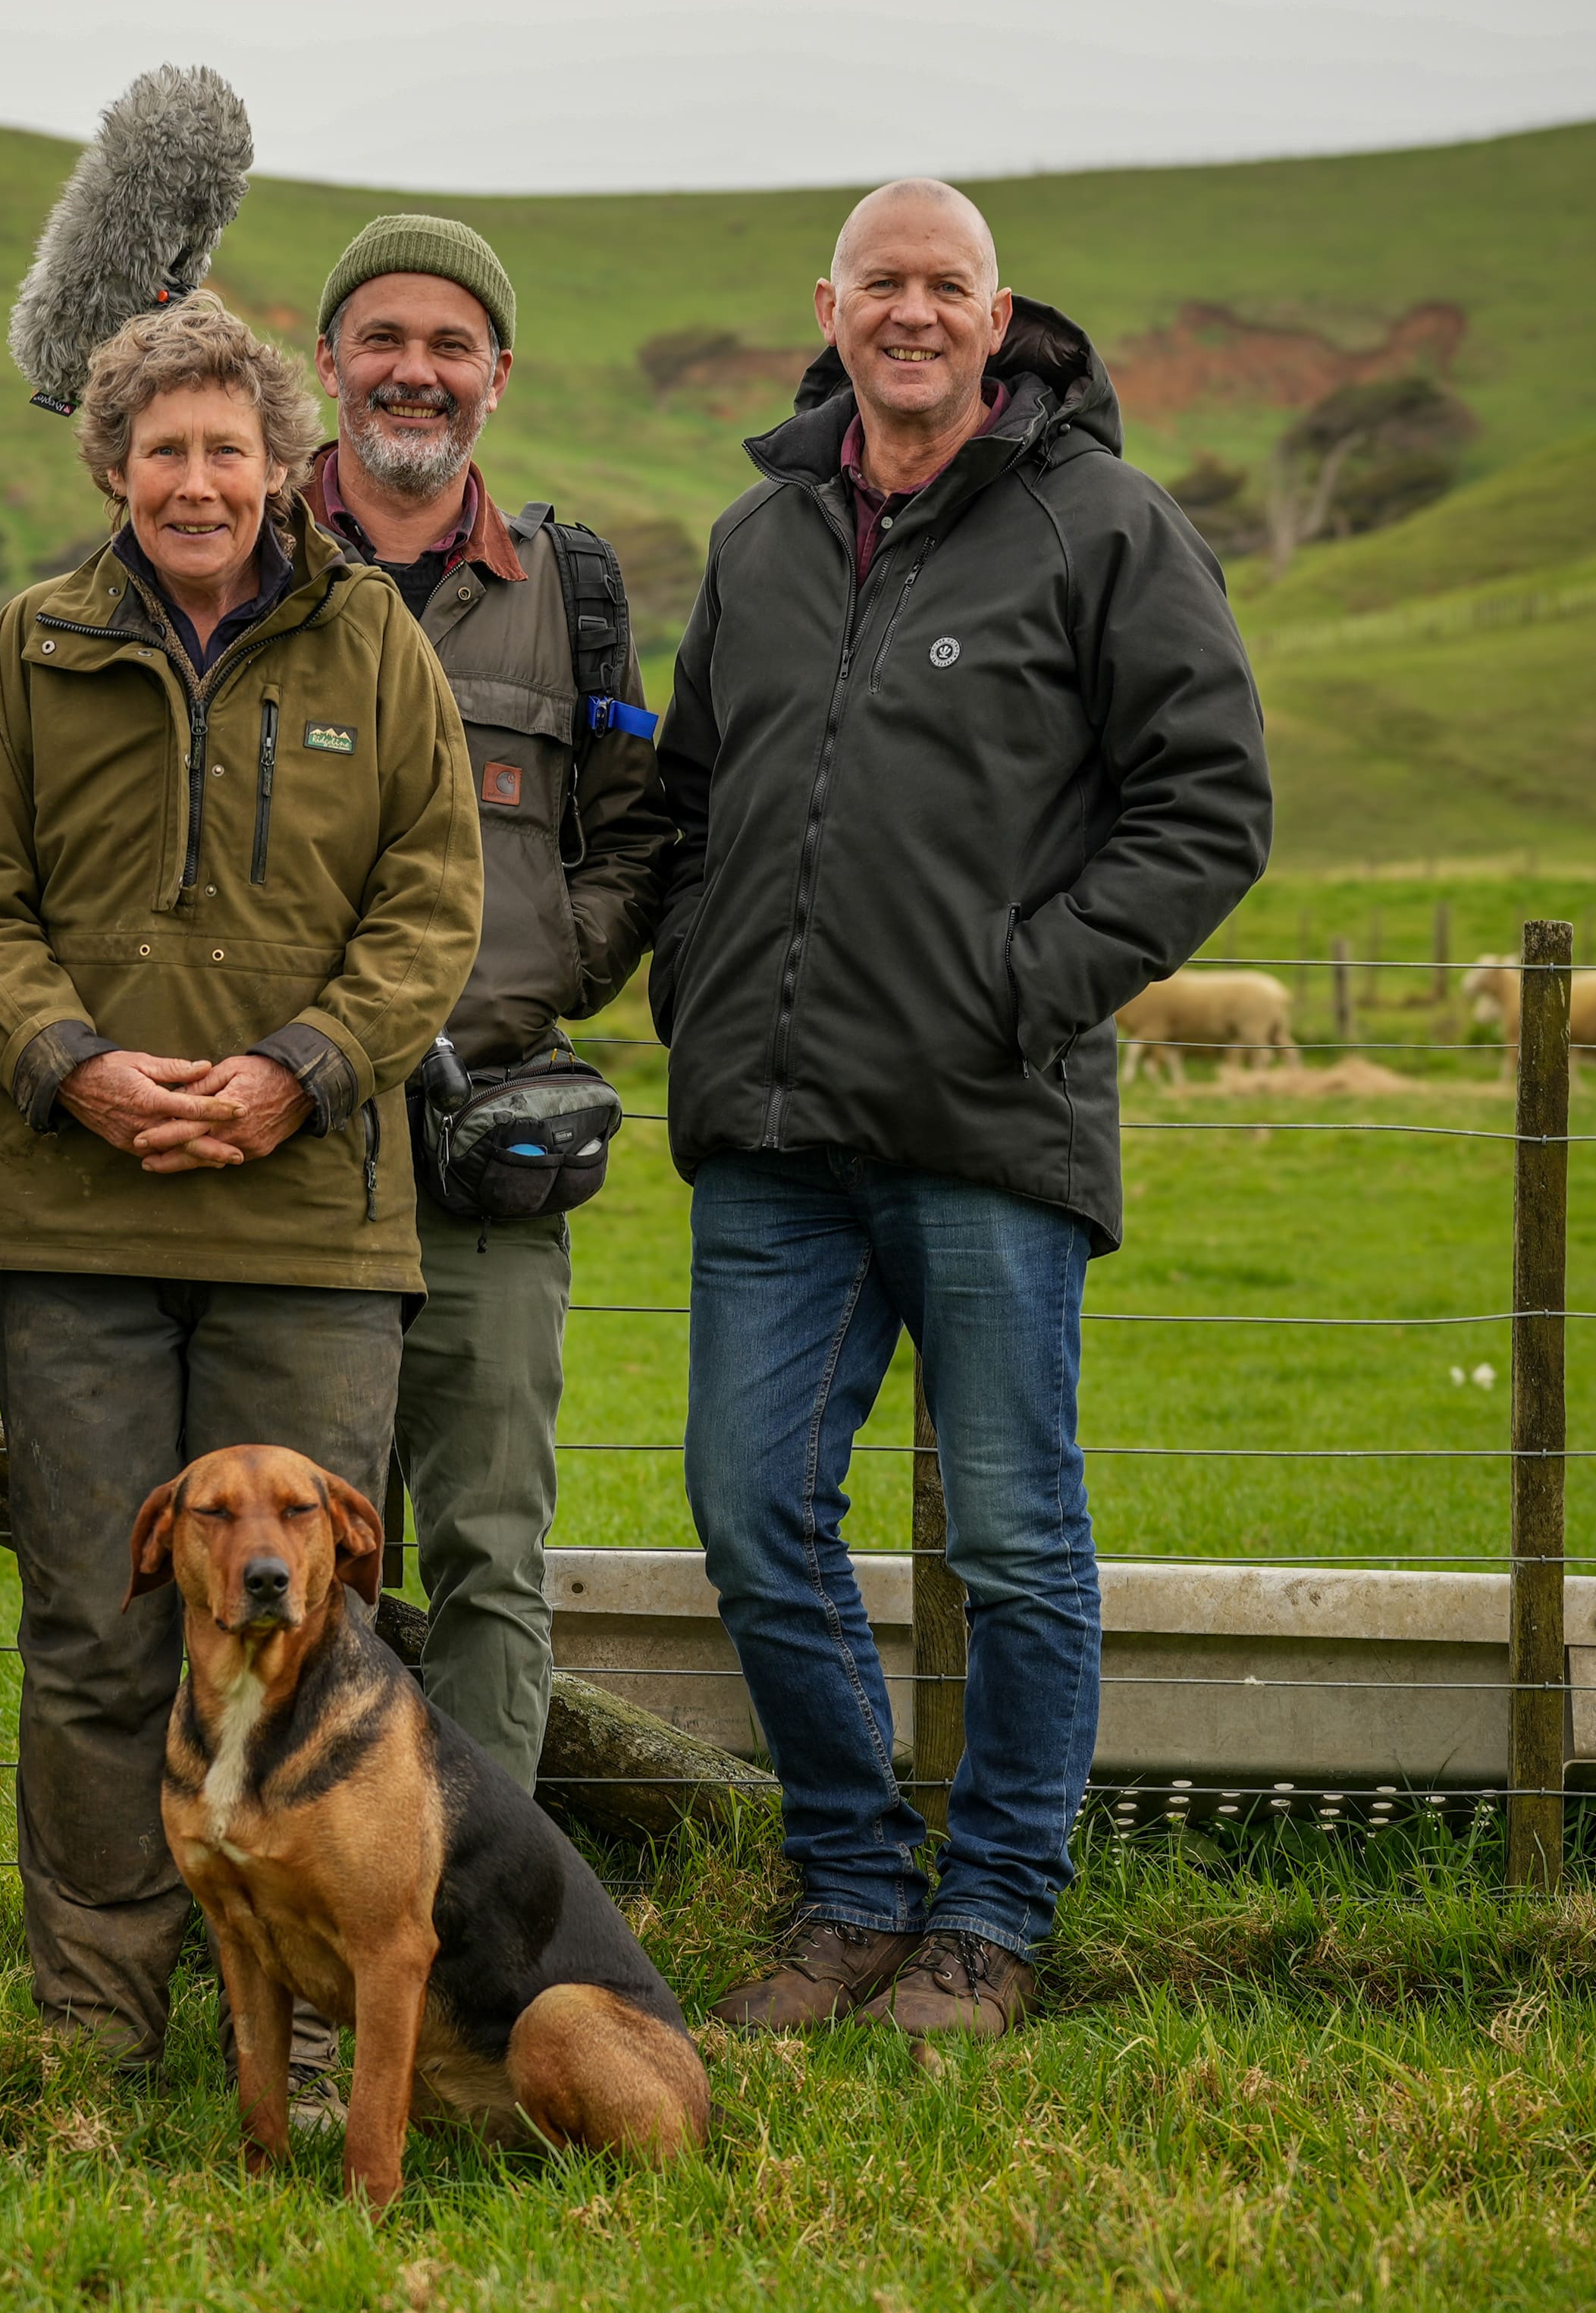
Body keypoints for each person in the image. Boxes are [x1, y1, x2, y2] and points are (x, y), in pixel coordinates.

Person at [647, 180, 1269, 2042]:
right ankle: (850, 1889)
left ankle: (990, 1913)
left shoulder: (1104, 525)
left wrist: (1026, 983)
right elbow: (689, 800)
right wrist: (695, 974)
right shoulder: (760, 536)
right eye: (881, 284)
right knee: (753, 1507)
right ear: (827, 308)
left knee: (1011, 1536)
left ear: (998, 320)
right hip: (771, 1133)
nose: (910, 313)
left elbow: (1210, 803)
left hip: (991, 1126)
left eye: (947, 286)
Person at [0, 289, 481, 2069]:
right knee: (97, 1623)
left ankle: (324, 2024)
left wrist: (296, 1075)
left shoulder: (373, 643)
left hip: (309, 1220)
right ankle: (101, 2023)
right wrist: (72, 1067)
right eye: (160, 450)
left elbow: (429, 902)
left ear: (276, 458)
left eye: (225, 448)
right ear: (109, 464)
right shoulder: (33, 640)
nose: (194, 479)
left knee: (319, 1630)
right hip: (72, 1216)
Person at [307, 215, 665, 1792]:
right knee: (290, 1556)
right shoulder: (242, 552)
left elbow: (643, 822)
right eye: (382, 338)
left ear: (497, 377)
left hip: (483, 1151)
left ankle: (470, 1926)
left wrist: (552, 968)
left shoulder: (567, 591)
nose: (415, 370)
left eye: (452, 345)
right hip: (285, 1142)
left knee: (487, 1559)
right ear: (326, 363)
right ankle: (285, 1917)